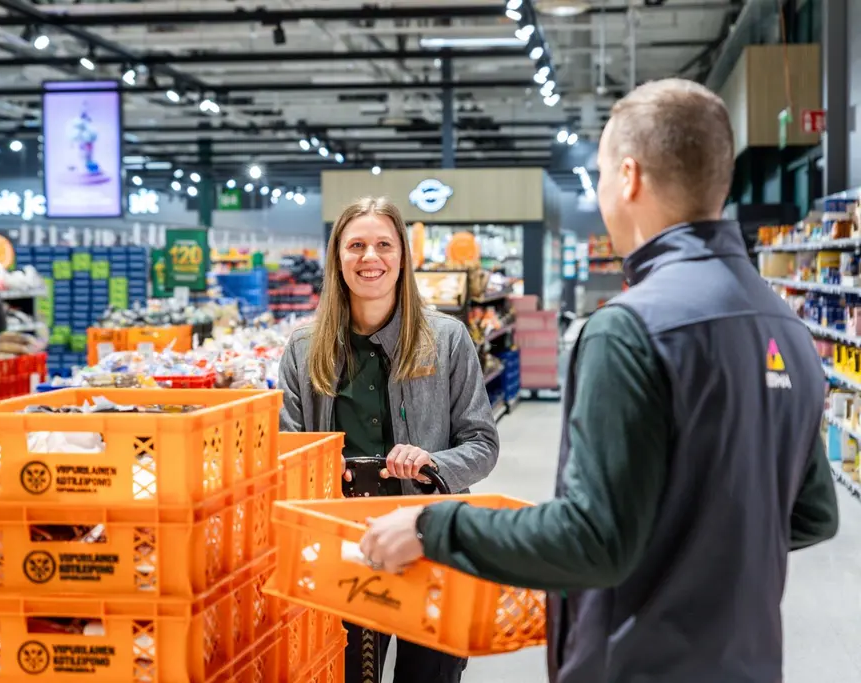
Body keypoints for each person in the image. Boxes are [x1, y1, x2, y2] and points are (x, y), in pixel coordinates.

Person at [358, 78, 840, 683]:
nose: (605, 192)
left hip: (636, 662)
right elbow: (813, 513)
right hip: (748, 659)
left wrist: (434, 526)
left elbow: (594, 540)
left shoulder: (630, 329)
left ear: (631, 177)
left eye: (605, 175)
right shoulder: (784, 325)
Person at [278, 196, 499, 683]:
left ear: (402, 256)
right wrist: (316, 466)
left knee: (430, 674)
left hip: (428, 542)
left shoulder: (446, 339)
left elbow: (482, 443)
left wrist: (434, 461)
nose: (369, 258)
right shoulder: (303, 347)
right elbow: (285, 451)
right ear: (338, 257)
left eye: (383, 244)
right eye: (356, 245)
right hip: (342, 551)